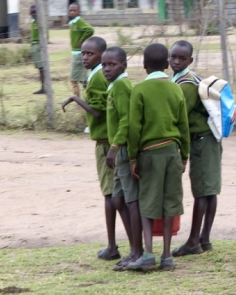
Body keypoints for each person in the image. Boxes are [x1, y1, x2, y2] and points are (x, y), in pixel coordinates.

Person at [126, 43, 190, 271]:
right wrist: (184, 156)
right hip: (173, 152)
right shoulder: (176, 89)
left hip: (149, 154)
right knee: (169, 203)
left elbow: (134, 128)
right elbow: (184, 126)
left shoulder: (139, 90)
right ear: (166, 65)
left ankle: (147, 253)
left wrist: (133, 158)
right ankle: (166, 256)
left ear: (144, 66)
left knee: (148, 203)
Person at [62, 36, 126, 262]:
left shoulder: (99, 76)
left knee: (110, 194)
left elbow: (99, 113)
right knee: (117, 194)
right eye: (83, 53)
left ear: (102, 54)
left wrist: (74, 98)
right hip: (109, 140)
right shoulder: (100, 74)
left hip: (106, 142)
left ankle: (112, 246)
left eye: (90, 54)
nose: (85, 57)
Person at [169, 40, 222, 257]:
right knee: (208, 190)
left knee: (203, 191)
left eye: (182, 58)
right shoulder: (184, 79)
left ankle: (194, 241)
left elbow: (176, 112)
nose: (176, 61)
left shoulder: (186, 84)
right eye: (173, 57)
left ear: (190, 60)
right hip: (207, 138)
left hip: (203, 139)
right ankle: (204, 239)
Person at [103, 46, 142, 269]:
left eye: (112, 65)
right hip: (118, 150)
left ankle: (138, 251)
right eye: (104, 65)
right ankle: (133, 248)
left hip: (124, 149)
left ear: (124, 66)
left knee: (130, 200)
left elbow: (128, 120)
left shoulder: (121, 86)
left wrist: (115, 146)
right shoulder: (114, 85)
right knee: (117, 199)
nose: (106, 69)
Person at [68, 3, 94, 97]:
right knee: (83, 80)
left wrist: (82, 40)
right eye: (70, 10)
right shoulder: (74, 22)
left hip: (79, 53)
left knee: (73, 79)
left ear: (78, 12)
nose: (72, 12)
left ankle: (78, 101)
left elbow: (90, 29)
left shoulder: (79, 21)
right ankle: (91, 97)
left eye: (74, 10)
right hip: (77, 53)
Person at [29, 5, 46, 94]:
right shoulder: (33, 22)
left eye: (35, 12)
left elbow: (44, 34)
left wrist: (41, 47)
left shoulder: (40, 22)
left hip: (39, 46)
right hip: (34, 46)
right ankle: (43, 87)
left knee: (42, 68)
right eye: (32, 13)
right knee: (40, 69)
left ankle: (45, 88)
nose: (33, 14)